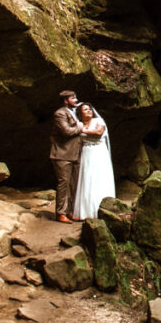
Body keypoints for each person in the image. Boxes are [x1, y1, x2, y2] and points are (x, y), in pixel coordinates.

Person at [72, 102, 116, 219]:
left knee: (99, 178)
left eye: (89, 109)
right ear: (80, 114)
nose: (89, 111)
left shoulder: (98, 122)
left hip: (99, 152)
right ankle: (86, 211)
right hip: (86, 152)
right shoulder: (79, 124)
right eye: (85, 110)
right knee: (87, 179)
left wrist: (82, 131)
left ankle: (102, 209)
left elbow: (98, 133)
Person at [50, 90, 83, 224]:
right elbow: (66, 132)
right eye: (73, 98)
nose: (76, 100)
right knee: (63, 184)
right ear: (65, 101)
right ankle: (60, 213)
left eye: (75, 97)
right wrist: (80, 127)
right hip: (62, 154)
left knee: (73, 184)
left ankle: (69, 211)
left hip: (75, 154)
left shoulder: (74, 113)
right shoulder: (60, 113)